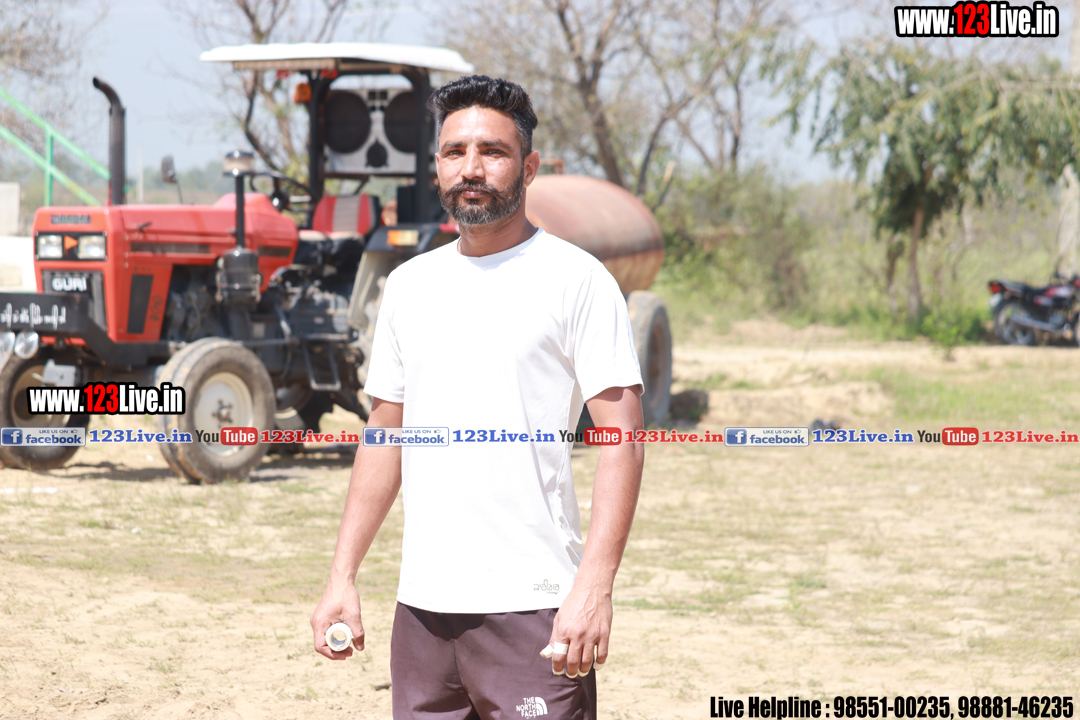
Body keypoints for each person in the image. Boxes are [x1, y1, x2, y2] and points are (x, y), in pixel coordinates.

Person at [310, 74, 645, 720]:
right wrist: (342, 575)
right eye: (454, 152)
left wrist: (594, 586)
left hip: (532, 606)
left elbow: (622, 442)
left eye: (492, 151)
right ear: (436, 166)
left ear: (529, 167)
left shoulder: (576, 281)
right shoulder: (408, 287)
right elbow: (384, 435)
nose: (471, 168)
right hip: (423, 613)